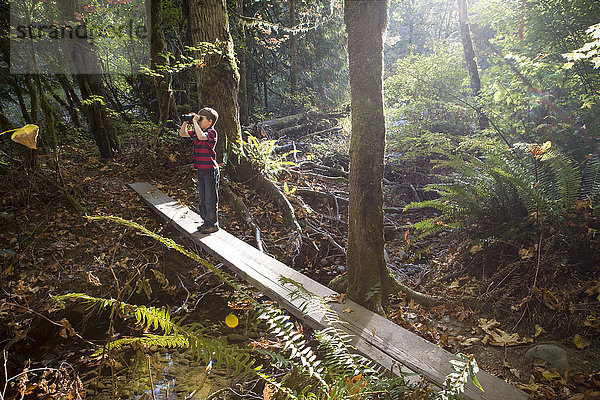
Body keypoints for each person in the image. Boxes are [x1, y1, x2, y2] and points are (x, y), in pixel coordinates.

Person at [179, 107, 220, 234]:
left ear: (210, 122)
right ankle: (205, 221)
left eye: (202, 119)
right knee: (202, 198)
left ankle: (212, 223)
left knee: (210, 198)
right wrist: (187, 121)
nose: (199, 121)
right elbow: (183, 134)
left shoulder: (212, 133)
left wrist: (195, 122)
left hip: (210, 170)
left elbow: (202, 137)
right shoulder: (198, 131)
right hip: (200, 169)